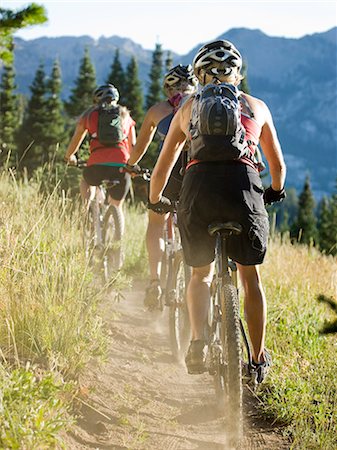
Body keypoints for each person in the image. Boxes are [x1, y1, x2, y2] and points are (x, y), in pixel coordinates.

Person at [148, 40, 286, 382]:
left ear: (200, 75)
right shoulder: (257, 107)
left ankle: (197, 343)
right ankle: (256, 359)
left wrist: (157, 200)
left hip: (198, 190)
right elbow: (278, 167)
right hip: (244, 189)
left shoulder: (187, 109)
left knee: (200, 275)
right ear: (237, 74)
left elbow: (163, 167)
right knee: (249, 278)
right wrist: (272, 192)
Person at [127, 65, 198, 310]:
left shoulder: (159, 110)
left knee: (156, 221)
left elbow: (141, 146)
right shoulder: (202, 106)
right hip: (201, 172)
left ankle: (155, 281)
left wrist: (130, 165)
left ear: (168, 87)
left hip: (170, 172)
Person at [64, 84, 136, 236]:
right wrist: (132, 166)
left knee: (87, 180)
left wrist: (70, 156)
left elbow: (77, 138)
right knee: (118, 206)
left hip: (96, 164)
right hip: (121, 166)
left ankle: (86, 208)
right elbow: (133, 146)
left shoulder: (90, 115)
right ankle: (118, 246)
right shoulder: (126, 116)